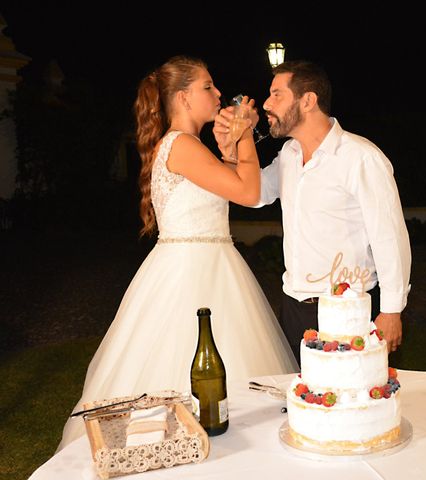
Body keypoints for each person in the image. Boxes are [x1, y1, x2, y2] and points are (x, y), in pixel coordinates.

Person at [56, 55, 297, 451]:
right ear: (184, 97)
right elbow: (249, 192)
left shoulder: (187, 146)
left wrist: (232, 148)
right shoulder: (182, 145)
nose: (218, 93)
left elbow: (230, 184)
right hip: (191, 275)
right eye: (208, 87)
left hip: (209, 265)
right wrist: (245, 135)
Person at [214, 60, 411, 366]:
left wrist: (391, 310)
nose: (266, 104)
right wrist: (231, 150)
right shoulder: (289, 156)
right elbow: (255, 195)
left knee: (349, 402)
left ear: (307, 100)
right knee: (300, 403)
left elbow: (389, 236)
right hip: (293, 308)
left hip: (349, 310)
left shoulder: (360, 157)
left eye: (277, 94)